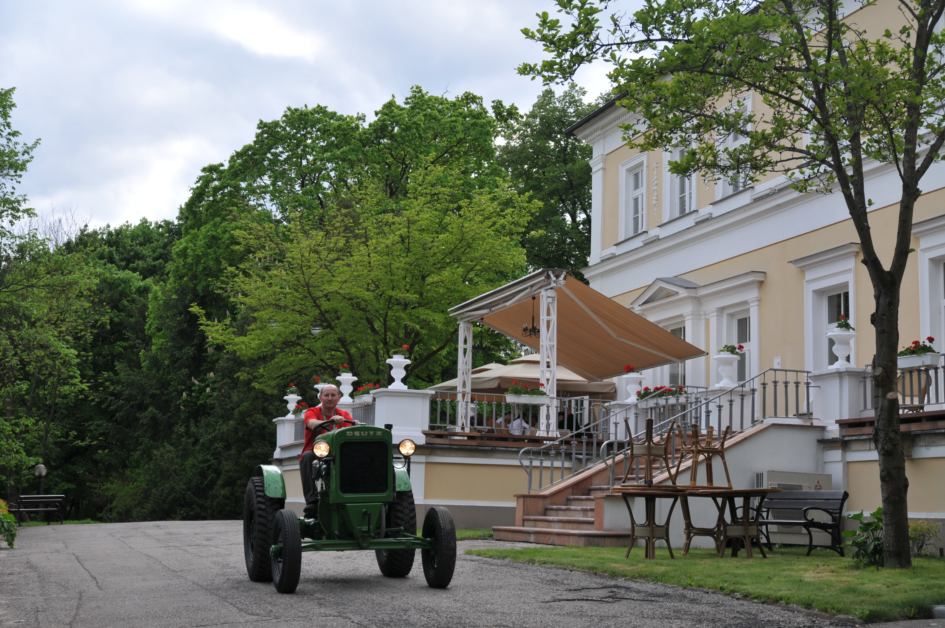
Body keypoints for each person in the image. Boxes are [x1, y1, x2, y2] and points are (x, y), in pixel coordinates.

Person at [299, 384, 358, 517]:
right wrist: (330, 422)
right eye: (326, 395)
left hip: (340, 453)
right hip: (318, 452)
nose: (329, 398)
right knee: (307, 457)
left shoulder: (344, 415)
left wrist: (355, 424)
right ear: (320, 397)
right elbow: (311, 423)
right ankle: (312, 501)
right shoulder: (312, 411)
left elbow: (352, 430)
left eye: (333, 395)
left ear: (339, 397)